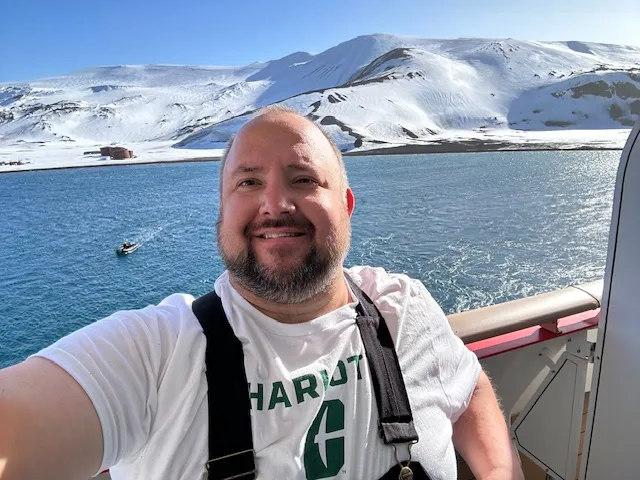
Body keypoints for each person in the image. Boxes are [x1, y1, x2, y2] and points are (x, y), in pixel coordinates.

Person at [0, 106, 524, 480]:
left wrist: (501, 471)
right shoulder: (157, 352)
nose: (275, 203)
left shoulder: (402, 308)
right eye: (247, 183)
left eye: (303, 179)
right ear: (222, 214)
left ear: (346, 204)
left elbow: (466, 382)